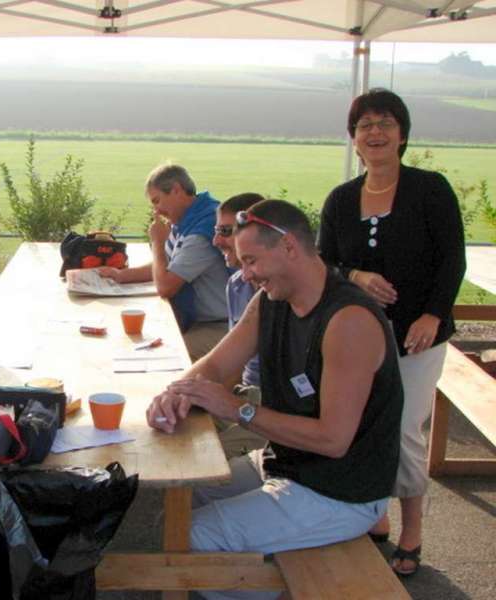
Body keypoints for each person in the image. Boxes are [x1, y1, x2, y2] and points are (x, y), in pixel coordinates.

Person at [147, 200, 403, 600]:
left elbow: (333, 440)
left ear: (288, 247)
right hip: (287, 467)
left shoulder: (348, 321)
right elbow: (215, 366)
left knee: (192, 538)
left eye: (251, 261)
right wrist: (175, 392)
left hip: (341, 494)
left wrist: (237, 409)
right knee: (181, 505)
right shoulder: (270, 301)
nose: (244, 273)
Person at [318, 88, 466, 576]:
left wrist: (431, 316)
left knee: (403, 429)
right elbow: (325, 263)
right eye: (365, 125)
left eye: (385, 123)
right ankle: (375, 511)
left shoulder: (430, 189)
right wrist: (355, 276)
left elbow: (452, 260)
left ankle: (414, 528)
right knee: (363, 424)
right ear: (354, 139)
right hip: (359, 338)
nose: (375, 132)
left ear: (402, 134)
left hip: (418, 335)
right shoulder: (341, 200)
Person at [97, 164, 229, 361]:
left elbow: (166, 286)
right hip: (200, 321)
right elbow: (167, 266)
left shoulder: (202, 230)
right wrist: (121, 275)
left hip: (221, 326)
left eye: (157, 201)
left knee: (164, 357)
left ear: (176, 189)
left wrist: (158, 242)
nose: (156, 211)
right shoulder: (188, 219)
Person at [212, 192, 265, 387]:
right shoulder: (236, 285)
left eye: (225, 231)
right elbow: (233, 364)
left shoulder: (285, 290)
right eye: (216, 230)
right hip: (246, 394)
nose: (215, 241)